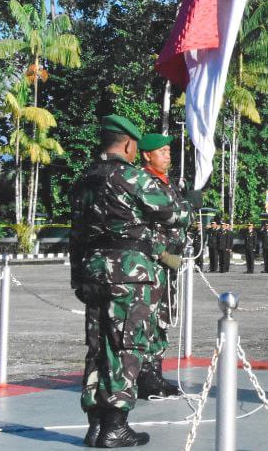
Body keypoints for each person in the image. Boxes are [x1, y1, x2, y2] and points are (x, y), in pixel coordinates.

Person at [69, 115, 189, 447]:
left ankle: (96, 424)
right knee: (126, 347)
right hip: (129, 273)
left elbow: (76, 236)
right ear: (128, 144)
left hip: (93, 271)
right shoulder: (132, 178)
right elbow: (176, 214)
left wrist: (77, 277)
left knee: (98, 348)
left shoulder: (84, 181)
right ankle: (115, 425)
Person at [137, 132, 188, 401]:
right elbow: (139, 226)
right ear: (147, 154)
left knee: (163, 318)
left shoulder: (168, 184)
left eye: (169, 150)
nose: (168, 155)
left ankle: (155, 372)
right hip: (151, 263)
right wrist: (159, 253)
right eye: (162, 151)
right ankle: (144, 375)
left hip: (169, 264)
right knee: (148, 318)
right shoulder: (144, 182)